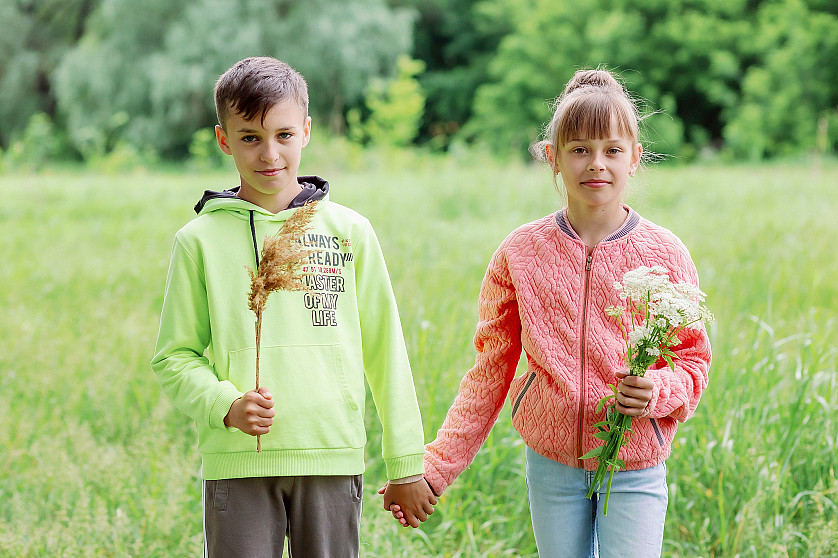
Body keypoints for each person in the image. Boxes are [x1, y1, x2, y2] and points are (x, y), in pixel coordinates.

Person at [387, 69, 711, 557]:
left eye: (611, 150)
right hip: (552, 464)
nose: (595, 163)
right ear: (552, 157)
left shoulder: (665, 253)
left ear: (635, 157)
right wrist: (435, 467)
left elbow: (693, 362)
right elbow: (489, 373)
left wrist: (658, 392)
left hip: (636, 464)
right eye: (579, 149)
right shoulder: (521, 253)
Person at [151, 56, 435, 558]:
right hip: (238, 462)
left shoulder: (349, 232)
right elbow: (173, 357)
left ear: (305, 131)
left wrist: (406, 463)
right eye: (250, 138)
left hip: (330, 455)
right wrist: (225, 405)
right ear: (224, 140)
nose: (269, 154)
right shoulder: (197, 240)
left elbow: (385, 349)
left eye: (284, 135)